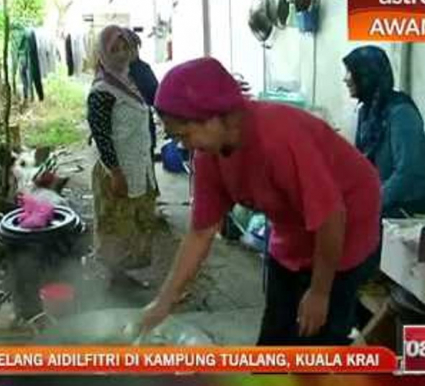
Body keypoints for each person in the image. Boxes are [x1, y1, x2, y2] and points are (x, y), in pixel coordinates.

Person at [138, 57, 382, 345]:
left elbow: (331, 216)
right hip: (294, 225)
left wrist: (319, 292)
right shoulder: (208, 155)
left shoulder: (278, 137)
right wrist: (163, 302)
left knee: (319, 334)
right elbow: (201, 232)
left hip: (346, 221)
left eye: (186, 134)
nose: (183, 145)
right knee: (278, 330)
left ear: (217, 115)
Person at [86, 25, 159, 286]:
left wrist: (135, 60)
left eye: (124, 48)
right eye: (113, 49)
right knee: (115, 224)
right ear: (103, 53)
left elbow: (154, 94)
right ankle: (113, 278)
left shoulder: (131, 80)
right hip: (115, 171)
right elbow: (102, 135)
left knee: (135, 223)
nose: (120, 54)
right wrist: (116, 173)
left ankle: (123, 275)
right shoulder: (102, 90)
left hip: (139, 164)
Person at [343, 46, 425, 220]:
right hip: (380, 207)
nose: (345, 79)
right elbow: (361, 165)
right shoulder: (367, 112)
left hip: (404, 214)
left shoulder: (401, 113)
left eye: (350, 72)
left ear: (367, 75)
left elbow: (408, 173)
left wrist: (368, 202)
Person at [124, 29, 160, 158]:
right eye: (127, 47)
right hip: (121, 134)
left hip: (144, 128)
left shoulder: (143, 69)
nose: (132, 52)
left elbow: (156, 96)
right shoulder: (110, 74)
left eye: (135, 47)